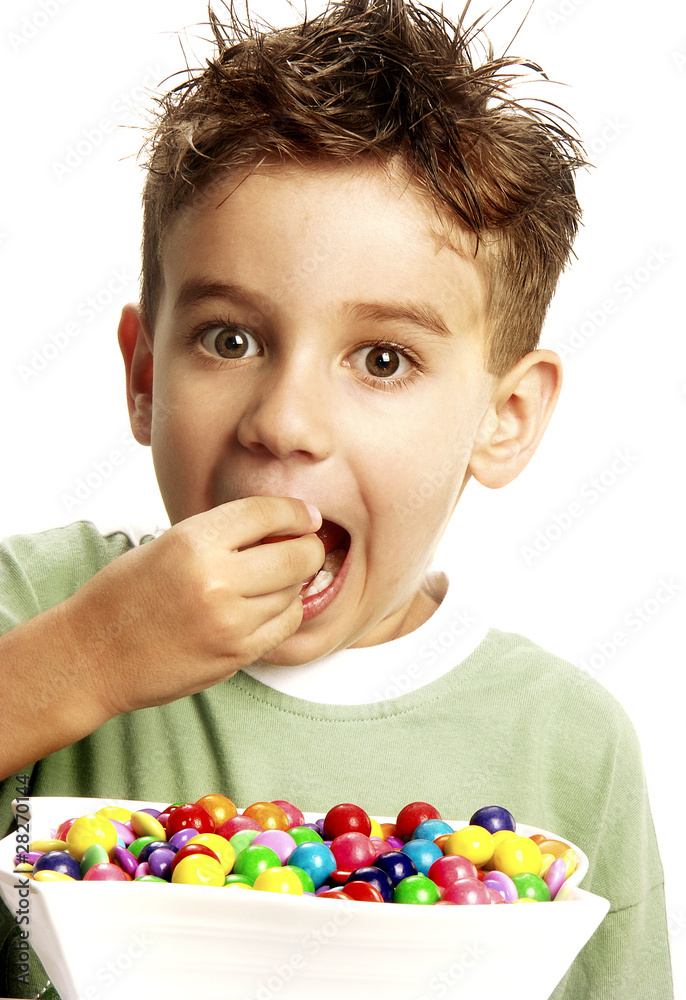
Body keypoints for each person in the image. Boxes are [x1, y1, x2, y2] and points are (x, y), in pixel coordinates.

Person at [0, 0, 672, 996]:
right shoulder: (39, 603)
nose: (285, 421)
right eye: (230, 338)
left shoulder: (566, 746)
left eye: (382, 358)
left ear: (505, 416)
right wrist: (92, 655)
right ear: (143, 376)